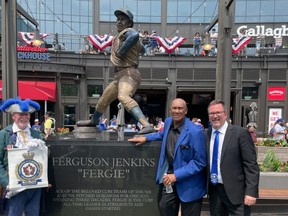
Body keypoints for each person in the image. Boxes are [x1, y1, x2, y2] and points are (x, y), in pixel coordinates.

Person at [76, 9, 154, 135]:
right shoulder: (122, 36)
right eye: (118, 19)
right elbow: (143, 50)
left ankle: (146, 125)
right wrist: (132, 47)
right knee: (103, 100)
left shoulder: (128, 32)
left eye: (123, 19)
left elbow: (134, 36)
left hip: (129, 73)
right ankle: (93, 122)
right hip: (119, 75)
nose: (119, 21)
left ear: (129, 22)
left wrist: (122, 50)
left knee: (123, 97)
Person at [128, 98, 207, 216]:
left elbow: (199, 162)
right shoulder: (169, 122)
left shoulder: (195, 132)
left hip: (190, 185)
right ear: (170, 110)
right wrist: (146, 138)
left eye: (180, 108)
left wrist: (176, 175)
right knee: (164, 207)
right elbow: (161, 134)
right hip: (169, 180)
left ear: (186, 111)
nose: (177, 111)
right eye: (174, 108)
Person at [205, 100, 259, 216]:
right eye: (211, 113)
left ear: (225, 114)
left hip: (237, 192)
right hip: (214, 191)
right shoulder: (205, 134)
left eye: (218, 112)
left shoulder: (240, 133)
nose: (215, 116)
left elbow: (251, 165)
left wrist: (251, 192)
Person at [0, 98, 45, 216]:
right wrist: (6, 182)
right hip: (14, 189)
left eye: (26, 114)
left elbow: (43, 158)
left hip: (34, 187)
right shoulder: (4, 134)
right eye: (20, 114)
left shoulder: (36, 134)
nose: (24, 117)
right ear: (13, 116)